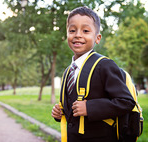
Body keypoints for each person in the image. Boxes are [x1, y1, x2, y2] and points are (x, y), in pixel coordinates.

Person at [51, 6, 135, 142]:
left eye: (85, 31)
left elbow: (126, 102)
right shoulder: (68, 72)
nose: (78, 35)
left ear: (97, 38)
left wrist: (90, 107)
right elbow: (73, 110)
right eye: (72, 30)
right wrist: (60, 114)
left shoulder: (104, 65)